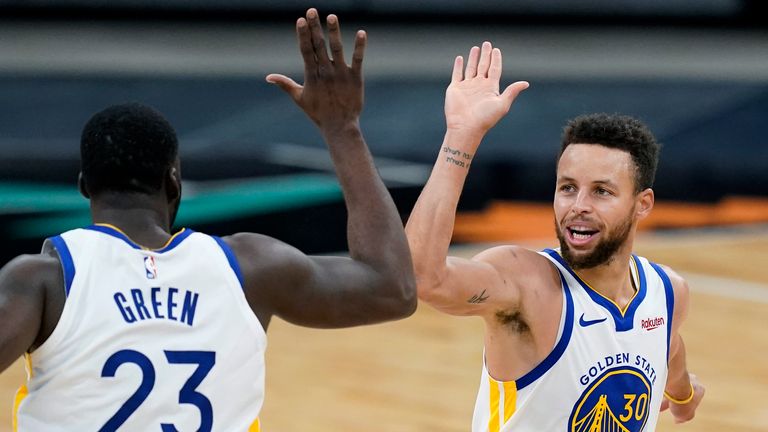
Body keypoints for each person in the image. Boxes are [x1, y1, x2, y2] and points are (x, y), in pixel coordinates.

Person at [0, 8, 416, 431]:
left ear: (85, 185)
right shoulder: (252, 266)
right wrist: (342, 129)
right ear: (173, 181)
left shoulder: (44, 280)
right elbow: (392, 288)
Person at [405, 41, 704, 431]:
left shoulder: (667, 293)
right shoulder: (524, 284)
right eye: (567, 187)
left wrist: (683, 394)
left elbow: (670, 347)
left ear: (642, 204)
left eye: (601, 191)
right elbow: (422, 277)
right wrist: (461, 138)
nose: (578, 205)